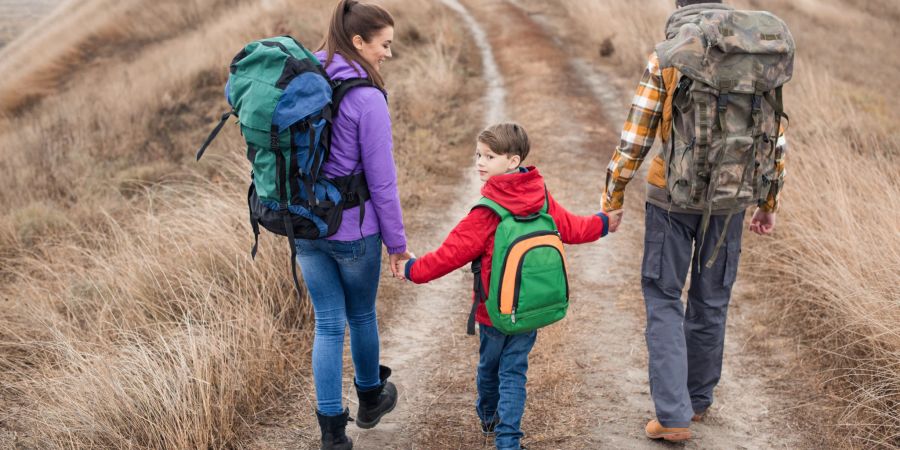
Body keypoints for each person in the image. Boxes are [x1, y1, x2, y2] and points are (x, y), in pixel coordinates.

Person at [600, 0, 790, 442]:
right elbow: (774, 133)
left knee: (664, 296)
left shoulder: (670, 53)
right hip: (731, 198)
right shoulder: (756, 49)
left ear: (679, 4)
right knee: (712, 299)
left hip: (672, 198)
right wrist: (768, 200)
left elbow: (637, 131)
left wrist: (614, 194)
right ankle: (697, 400)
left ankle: (672, 415)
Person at [401, 123, 613, 450]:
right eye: (478, 155)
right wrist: (602, 223)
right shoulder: (539, 197)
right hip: (529, 307)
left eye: (489, 156)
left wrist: (413, 270)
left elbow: (449, 254)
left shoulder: (488, 212)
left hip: (493, 311)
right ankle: (508, 440)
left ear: (513, 161)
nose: (480, 162)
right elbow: (572, 227)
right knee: (514, 372)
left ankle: (491, 422)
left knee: (491, 369)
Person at [299, 1, 412, 449]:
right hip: (352, 231)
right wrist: (397, 244)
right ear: (359, 42)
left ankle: (332, 435)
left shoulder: (308, 80)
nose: (388, 53)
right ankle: (369, 399)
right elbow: (382, 183)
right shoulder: (366, 99)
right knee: (360, 313)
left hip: (306, 227)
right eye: (384, 45)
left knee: (327, 324)